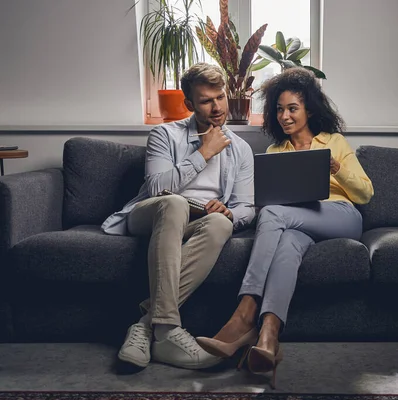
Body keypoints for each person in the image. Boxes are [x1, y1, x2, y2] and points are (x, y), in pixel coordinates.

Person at [195, 67, 373, 386]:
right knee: (287, 243)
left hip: (341, 216)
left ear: (309, 110)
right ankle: (268, 337)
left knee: (276, 215)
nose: (285, 116)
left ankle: (244, 313)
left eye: (292, 108)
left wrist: (337, 168)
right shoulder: (276, 153)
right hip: (298, 221)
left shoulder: (333, 141)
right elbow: (266, 202)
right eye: (279, 109)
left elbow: (365, 193)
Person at [101, 63, 255, 370]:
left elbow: (247, 207)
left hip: (199, 220)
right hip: (153, 213)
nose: (217, 107)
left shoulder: (240, 149)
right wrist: (203, 153)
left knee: (221, 223)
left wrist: (229, 211)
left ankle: (147, 327)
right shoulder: (165, 134)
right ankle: (169, 328)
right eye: (206, 101)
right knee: (174, 204)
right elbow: (156, 188)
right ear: (189, 104)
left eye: (220, 98)